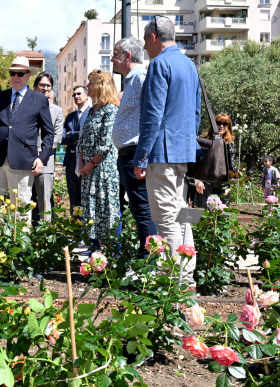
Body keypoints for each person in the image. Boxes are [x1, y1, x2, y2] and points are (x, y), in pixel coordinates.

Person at [133, 16, 201, 289]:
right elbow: (195, 113)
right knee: (183, 213)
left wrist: (141, 157)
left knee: (165, 218)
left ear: (152, 37)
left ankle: (177, 280)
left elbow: (152, 115)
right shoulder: (189, 64)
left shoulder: (159, 63)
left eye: (145, 40)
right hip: (183, 152)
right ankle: (188, 275)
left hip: (161, 153)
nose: (145, 47)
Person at [0, 56, 53, 228]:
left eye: (20, 74)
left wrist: (42, 158)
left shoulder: (39, 99)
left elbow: (49, 133)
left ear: (28, 75)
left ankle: (19, 248)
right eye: (13, 73)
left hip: (22, 162)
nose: (16, 77)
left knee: (21, 207)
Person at [111, 37, 157, 259]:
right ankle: (145, 258)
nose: (112, 59)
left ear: (127, 56)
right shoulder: (132, 80)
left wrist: (143, 157)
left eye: (115, 53)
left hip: (135, 154)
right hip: (129, 153)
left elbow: (153, 114)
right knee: (139, 209)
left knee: (143, 209)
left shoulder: (140, 77)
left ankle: (148, 261)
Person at [77, 70, 120, 250]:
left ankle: (110, 253)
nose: (87, 86)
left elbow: (105, 143)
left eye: (91, 83)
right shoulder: (93, 110)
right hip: (88, 169)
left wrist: (90, 163)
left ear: (101, 86)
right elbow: (83, 139)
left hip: (102, 170)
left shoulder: (110, 110)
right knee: (91, 210)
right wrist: (81, 162)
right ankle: (95, 250)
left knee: (105, 209)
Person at [31, 72, 64, 223]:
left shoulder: (57, 111)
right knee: (23, 200)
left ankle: (44, 237)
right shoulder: (25, 106)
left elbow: (57, 137)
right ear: (35, 86)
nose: (45, 88)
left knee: (44, 201)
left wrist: (43, 152)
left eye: (48, 86)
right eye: (42, 85)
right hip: (24, 160)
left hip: (45, 161)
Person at [194, 113, 238, 207]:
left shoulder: (229, 143)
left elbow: (231, 163)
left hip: (223, 181)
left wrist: (234, 175)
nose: (221, 126)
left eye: (225, 124)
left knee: (223, 212)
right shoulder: (204, 140)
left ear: (228, 126)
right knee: (204, 211)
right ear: (213, 124)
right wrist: (198, 180)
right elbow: (197, 162)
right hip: (206, 180)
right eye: (218, 123)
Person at [61, 85, 89, 215]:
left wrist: (71, 134)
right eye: (74, 95)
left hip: (86, 161)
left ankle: (86, 230)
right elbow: (62, 137)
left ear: (87, 95)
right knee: (73, 197)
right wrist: (79, 134)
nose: (76, 97)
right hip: (71, 160)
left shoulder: (92, 113)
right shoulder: (70, 116)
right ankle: (75, 229)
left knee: (86, 196)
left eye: (79, 94)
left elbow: (88, 135)